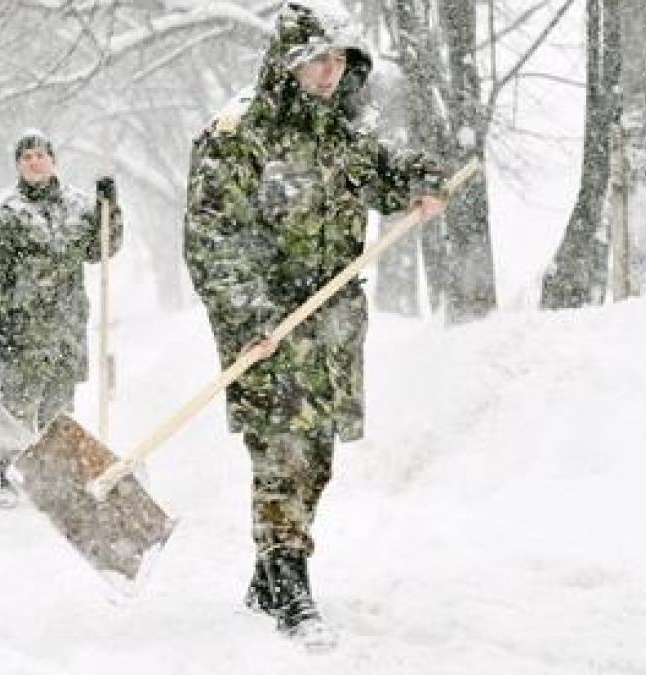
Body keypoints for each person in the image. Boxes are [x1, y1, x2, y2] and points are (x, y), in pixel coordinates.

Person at [183, 2, 446, 650]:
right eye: (317, 61)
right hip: (267, 324)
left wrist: (426, 180)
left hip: (329, 327)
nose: (329, 74)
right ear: (289, 62)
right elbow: (210, 236)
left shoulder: (341, 134)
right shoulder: (239, 133)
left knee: (316, 458)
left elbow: (387, 172)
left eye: (338, 61)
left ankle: (264, 576)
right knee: (281, 452)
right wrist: (248, 316)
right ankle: (288, 579)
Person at [0, 130, 123, 508]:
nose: (34, 162)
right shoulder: (4, 212)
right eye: (26, 157)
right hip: (21, 325)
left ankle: (52, 477)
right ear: (18, 166)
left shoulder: (78, 206)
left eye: (40, 155)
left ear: (53, 161)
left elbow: (102, 248)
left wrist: (110, 208)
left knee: (58, 407)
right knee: (16, 406)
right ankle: (9, 479)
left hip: (66, 324)